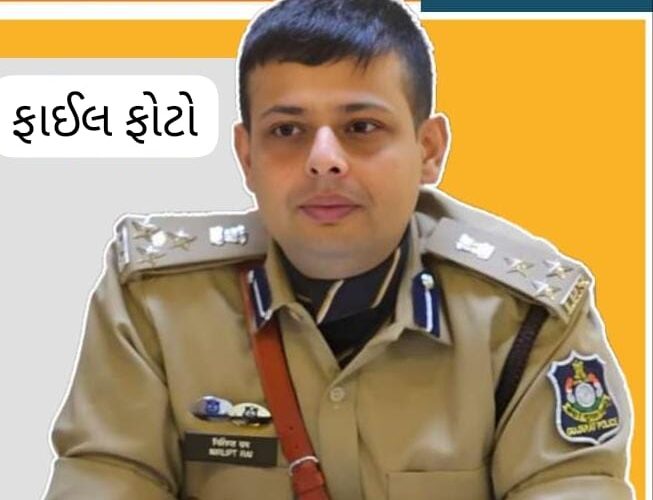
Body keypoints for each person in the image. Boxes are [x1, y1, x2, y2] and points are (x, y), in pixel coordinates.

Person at [44, 0, 633, 498]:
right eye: (287, 130)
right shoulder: (155, 302)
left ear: (429, 149)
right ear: (247, 157)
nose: (323, 159)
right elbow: (106, 477)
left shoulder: (527, 319)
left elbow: (569, 484)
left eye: (361, 127)